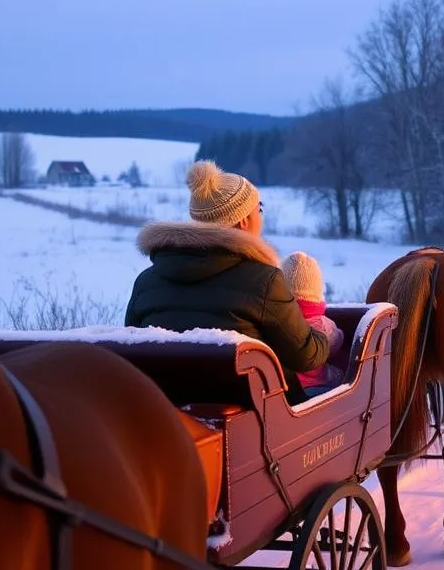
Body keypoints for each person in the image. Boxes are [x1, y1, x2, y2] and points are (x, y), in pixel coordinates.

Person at [124, 159, 330, 405]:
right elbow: (306, 358)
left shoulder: (146, 282)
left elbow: (134, 349)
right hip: (258, 417)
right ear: (243, 220)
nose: (260, 219)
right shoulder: (264, 281)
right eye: (259, 210)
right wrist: (321, 331)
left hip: (172, 411)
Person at [280, 251, 346, 398]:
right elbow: (337, 342)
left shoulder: (278, 322)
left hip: (286, 388)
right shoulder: (323, 325)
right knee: (343, 375)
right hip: (316, 386)